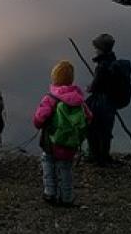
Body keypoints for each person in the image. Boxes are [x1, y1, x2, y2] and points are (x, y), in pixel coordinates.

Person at [33, 61, 91, 206]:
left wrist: (39, 124)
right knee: (66, 169)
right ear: (71, 79)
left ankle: (50, 193)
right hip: (69, 143)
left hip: (51, 142)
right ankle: (67, 198)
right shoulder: (79, 100)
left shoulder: (50, 98)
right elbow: (89, 118)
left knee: (48, 164)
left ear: (54, 79)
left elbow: (39, 119)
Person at [86, 33, 117, 166]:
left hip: (101, 102)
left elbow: (96, 85)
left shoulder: (102, 66)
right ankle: (103, 156)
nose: (95, 50)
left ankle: (97, 157)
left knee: (93, 128)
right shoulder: (112, 61)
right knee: (106, 130)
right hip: (110, 102)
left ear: (101, 49)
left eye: (96, 48)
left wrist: (89, 88)